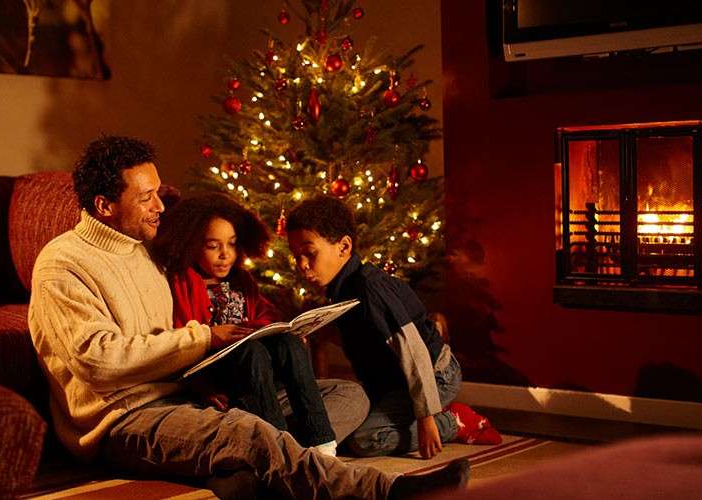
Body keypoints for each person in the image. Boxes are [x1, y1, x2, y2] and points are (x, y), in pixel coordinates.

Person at [28, 135, 470, 499]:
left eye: (158, 194)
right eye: (146, 198)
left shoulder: (148, 254)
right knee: (250, 431)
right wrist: (204, 339)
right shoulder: (63, 265)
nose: (160, 207)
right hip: (125, 417)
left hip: (189, 395)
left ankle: (246, 475)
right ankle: (384, 491)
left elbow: (172, 332)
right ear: (105, 205)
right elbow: (97, 362)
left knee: (346, 395)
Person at [286, 195, 502, 460]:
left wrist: (425, 417)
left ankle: (453, 421)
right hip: (394, 384)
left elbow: (413, 351)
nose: (302, 265)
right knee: (343, 428)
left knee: (364, 439)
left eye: (310, 254)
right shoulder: (340, 291)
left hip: (433, 375)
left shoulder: (370, 289)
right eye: (296, 257)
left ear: (344, 247)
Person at [153, 193, 337, 456]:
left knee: (290, 343)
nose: (225, 255)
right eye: (212, 246)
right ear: (192, 244)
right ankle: (280, 447)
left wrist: (285, 330)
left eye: (232, 244)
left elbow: (266, 313)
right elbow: (183, 342)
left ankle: (322, 442)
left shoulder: (242, 279)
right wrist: (203, 389)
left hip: (259, 370)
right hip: (222, 371)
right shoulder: (184, 282)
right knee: (252, 351)